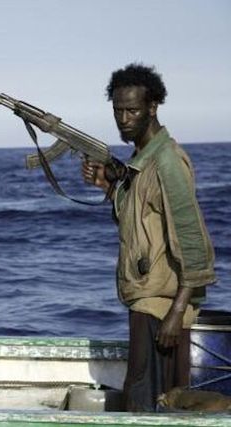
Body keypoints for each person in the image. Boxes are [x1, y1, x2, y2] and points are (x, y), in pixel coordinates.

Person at [83, 63, 216, 411]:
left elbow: (192, 240)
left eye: (132, 110)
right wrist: (109, 186)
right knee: (152, 396)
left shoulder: (167, 161)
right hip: (145, 297)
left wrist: (177, 311)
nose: (124, 119)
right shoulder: (139, 162)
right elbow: (138, 227)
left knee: (144, 397)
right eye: (118, 111)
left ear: (153, 107)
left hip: (162, 304)